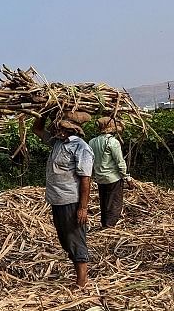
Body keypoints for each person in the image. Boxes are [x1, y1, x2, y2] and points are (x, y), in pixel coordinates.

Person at [32, 111, 94, 287]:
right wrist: (43, 111)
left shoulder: (81, 147)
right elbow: (36, 129)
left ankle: (82, 282)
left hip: (71, 200)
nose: (56, 129)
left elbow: (85, 179)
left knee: (75, 238)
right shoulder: (57, 142)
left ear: (70, 129)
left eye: (60, 127)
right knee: (65, 239)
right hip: (57, 199)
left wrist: (83, 208)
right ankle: (79, 276)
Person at [88, 116, 132, 228]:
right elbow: (120, 162)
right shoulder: (113, 142)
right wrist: (127, 177)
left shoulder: (92, 142)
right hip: (113, 178)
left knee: (104, 202)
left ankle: (104, 224)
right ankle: (110, 226)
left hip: (100, 178)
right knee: (114, 203)